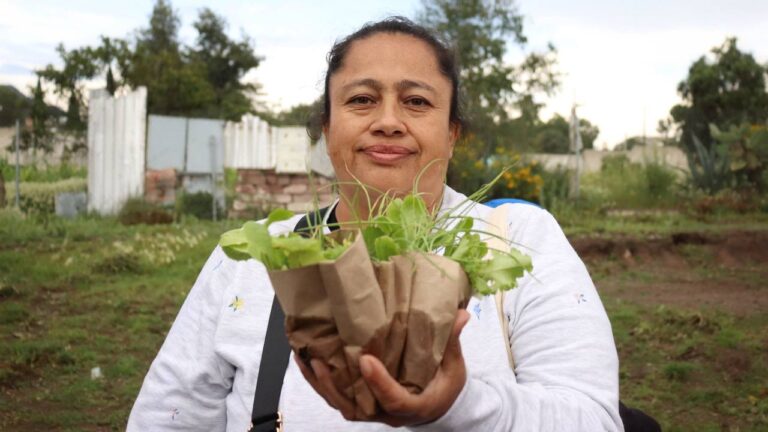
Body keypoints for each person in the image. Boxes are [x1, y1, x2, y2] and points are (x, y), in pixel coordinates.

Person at [128, 17, 623, 431]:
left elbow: (594, 419)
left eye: (417, 102)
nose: (388, 120)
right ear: (327, 130)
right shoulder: (256, 258)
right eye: (361, 99)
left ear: (451, 135)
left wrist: (459, 404)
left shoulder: (519, 242)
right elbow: (168, 418)